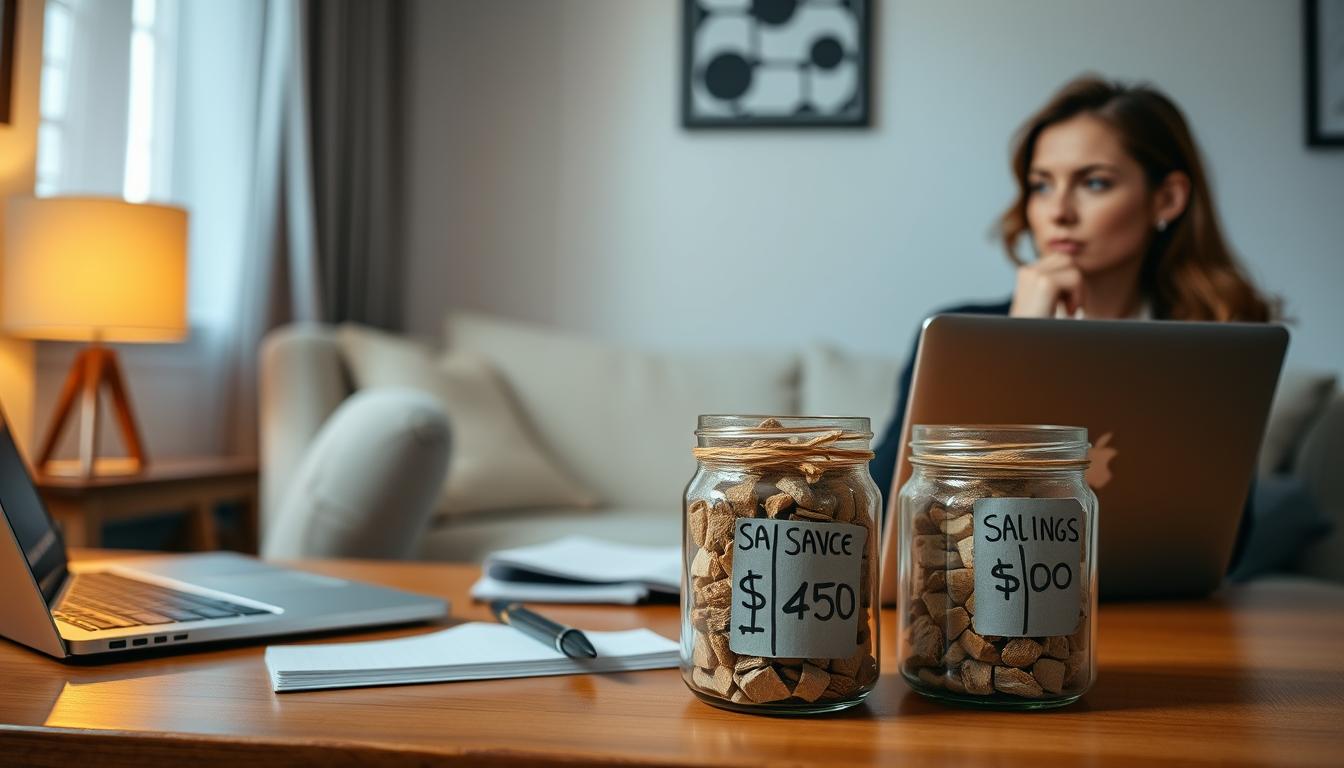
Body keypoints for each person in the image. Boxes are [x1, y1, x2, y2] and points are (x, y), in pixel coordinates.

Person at [870, 76, 1277, 553]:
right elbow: (892, 525)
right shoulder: (951, 337)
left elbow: (1228, 541)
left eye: (1094, 182)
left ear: (1167, 198)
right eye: (1042, 186)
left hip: (1164, 610)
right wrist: (1015, 343)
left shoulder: (1216, 343)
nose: (1059, 211)